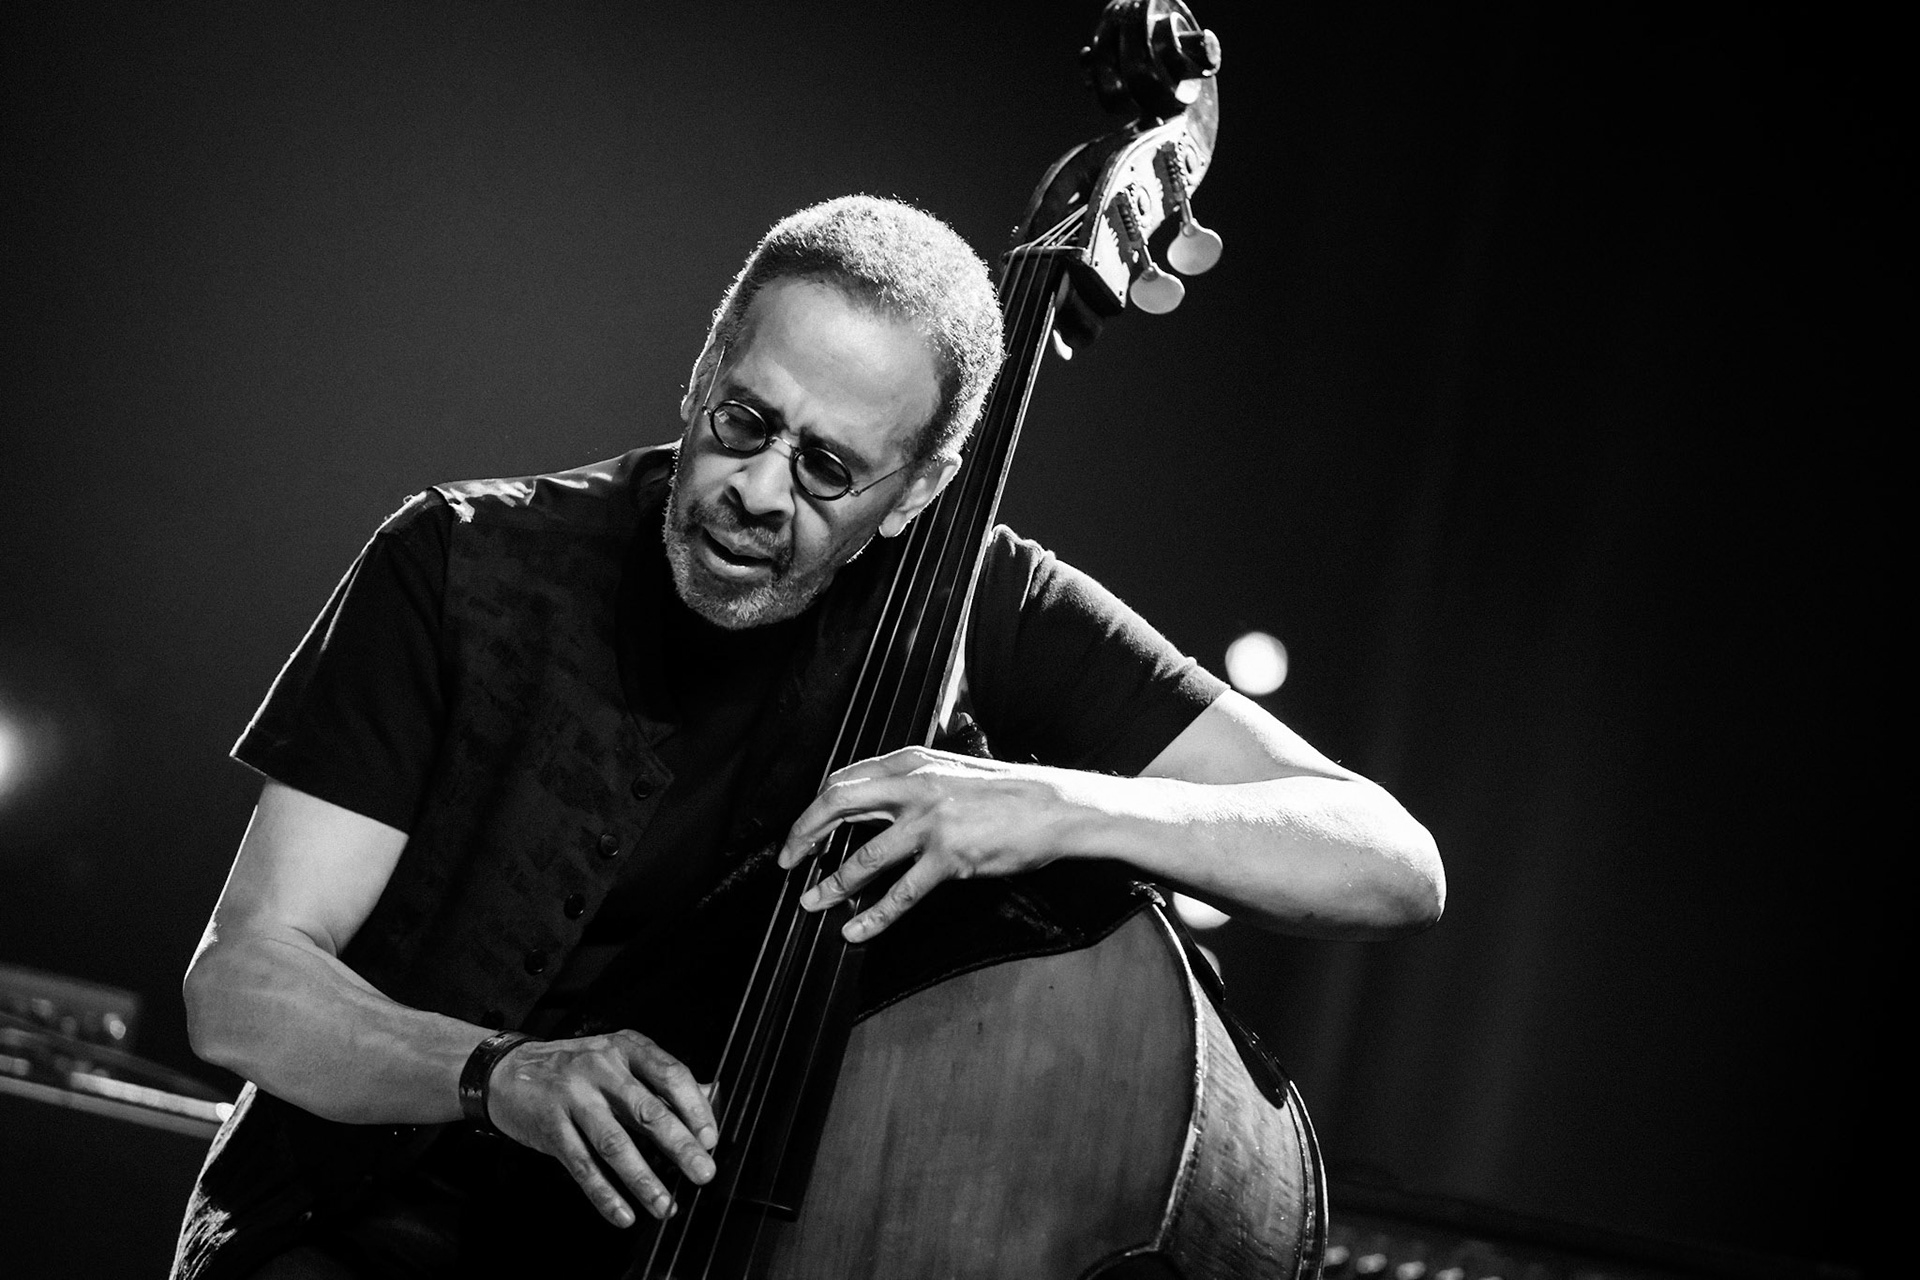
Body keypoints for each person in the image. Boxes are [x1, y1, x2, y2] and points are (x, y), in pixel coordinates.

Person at [175, 196, 1444, 1279]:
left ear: (923, 492)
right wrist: (495, 1072)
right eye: (742, 420)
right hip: (348, 1228)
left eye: (832, 468)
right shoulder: (458, 562)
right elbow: (242, 984)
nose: (760, 489)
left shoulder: (980, 600)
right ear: (702, 370)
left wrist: (1059, 805)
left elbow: (1385, 856)